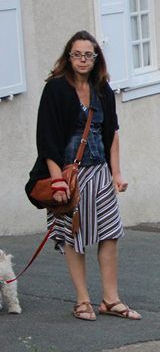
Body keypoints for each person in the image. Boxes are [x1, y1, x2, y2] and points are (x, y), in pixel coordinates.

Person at [27, 30, 138, 321]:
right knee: (71, 235)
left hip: (99, 172)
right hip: (67, 173)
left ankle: (110, 300)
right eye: (77, 54)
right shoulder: (55, 89)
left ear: (96, 58)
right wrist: (57, 180)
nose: (82, 59)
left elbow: (111, 132)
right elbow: (47, 139)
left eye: (88, 54)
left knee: (110, 232)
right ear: (68, 56)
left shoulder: (103, 88)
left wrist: (117, 173)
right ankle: (83, 300)